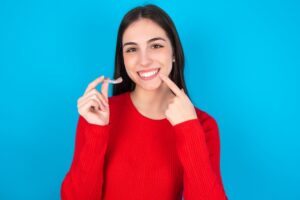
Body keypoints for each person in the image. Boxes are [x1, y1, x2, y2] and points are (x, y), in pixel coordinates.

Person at [61, 4, 228, 200]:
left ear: (173, 52)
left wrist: (189, 130)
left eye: (156, 45)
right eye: (132, 49)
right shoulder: (98, 114)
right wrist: (96, 132)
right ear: (122, 58)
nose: (144, 61)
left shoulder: (202, 124)